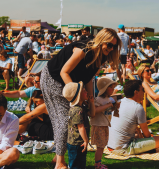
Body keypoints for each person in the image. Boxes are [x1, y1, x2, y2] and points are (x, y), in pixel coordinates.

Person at [42, 28, 120, 169]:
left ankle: (58, 155)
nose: (111, 48)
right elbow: (64, 71)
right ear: (101, 40)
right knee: (64, 120)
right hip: (53, 79)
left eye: (114, 46)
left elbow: (88, 77)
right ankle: (59, 163)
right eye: (109, 44)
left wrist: (90, 98)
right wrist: (76, 95)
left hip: (70, 81)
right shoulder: (84, 49)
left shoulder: (101, 55)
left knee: (70, 119)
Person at [107, 80, 159, 155]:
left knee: (137, 134)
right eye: (142, 90)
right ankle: (145, 149)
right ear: (136, 92)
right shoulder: (137, 107)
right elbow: (146, 134)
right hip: (123, 148)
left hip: (110, 145)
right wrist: (150, 142)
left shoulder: (119, 101)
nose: (144, 92)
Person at [63, 82, 94, 169]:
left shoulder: (81, 107)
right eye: (84, 91)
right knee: (75, 165)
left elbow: (92, 114)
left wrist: (91, 102)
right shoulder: (77, 111)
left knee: (80, 164)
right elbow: (80, 127)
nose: (87, 92)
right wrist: (86, 140)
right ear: (78, 96)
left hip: (79, 142)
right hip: (76, 143)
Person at [91, 77, 119, 169]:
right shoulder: (98, 100)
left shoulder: (109, 99)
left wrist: (114, 107)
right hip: (99, 125)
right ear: (105, 89)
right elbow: (94, 111)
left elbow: (107, 110)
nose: (113, 89)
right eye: (111, 87)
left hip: (104, 125)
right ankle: (97, 165)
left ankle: (99, 163)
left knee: (102, 145)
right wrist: (108, 105)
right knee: (100, 146)